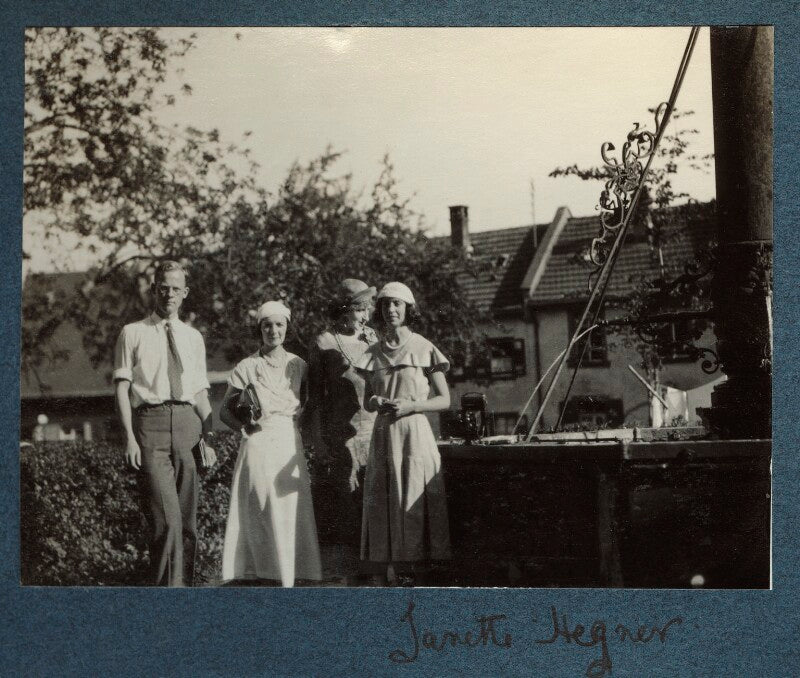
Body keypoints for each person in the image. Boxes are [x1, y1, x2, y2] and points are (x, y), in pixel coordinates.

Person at [113, 260, 216, 587]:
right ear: (153, 290)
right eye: (163, 288)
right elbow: (122, 388)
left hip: (189, 427)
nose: (168, 294)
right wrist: (129, 437)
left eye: (175, 289)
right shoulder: (133, 332)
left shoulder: (193, 337)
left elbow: (200, 392)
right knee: (166, 522)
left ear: (185, 293)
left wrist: (209, 438)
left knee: (187, 524)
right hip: (150, 427)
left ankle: (183, 595)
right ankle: (164, 601)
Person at [220, 300, 322, 587]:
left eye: (278, 325)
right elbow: (224, 411)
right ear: (259, 329)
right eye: (267, 325)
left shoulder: (299, 365)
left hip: (289, 440)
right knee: (260, 507)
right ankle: (261, 573)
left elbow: (311, 405)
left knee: (290, 506)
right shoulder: (247, 366)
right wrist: (246, 427)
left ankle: (292, 574)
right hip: (258, 443)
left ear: (287, 328)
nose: (273, 330)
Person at [356, 282, 452, 585]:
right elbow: (366, 400)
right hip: (384, 436)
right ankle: (386, 579)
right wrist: (376, 401)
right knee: (384, 504)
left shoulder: (424, 347)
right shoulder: (373, 353)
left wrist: (412, 407)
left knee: (412, 503)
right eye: (386, 305)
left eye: (397, 304)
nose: (391, 310)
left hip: (414, 436)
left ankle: (416, 580)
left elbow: (444, 399)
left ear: (408, 309)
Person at [307, 278, 378, 583]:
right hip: (342, 439)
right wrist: (318, 442)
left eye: (367, 309)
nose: (366, 316)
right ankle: (350, 583)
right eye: (360, 309)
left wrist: (378, 348)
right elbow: (313, 398)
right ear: (345, 310)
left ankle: (373, 579)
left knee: (375, 508)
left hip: (375, 434)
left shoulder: (374, 341)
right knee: (348, 513)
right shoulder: (325, 343)